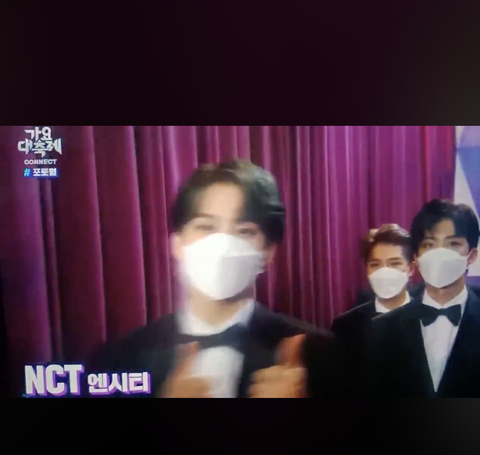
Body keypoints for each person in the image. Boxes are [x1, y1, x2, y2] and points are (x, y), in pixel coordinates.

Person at [89, 160, 345, 398]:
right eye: (206, 227)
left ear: (267, 253)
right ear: (177, 244)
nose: (223, 245)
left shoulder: (320, 354)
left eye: (244, 231)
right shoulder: (117, 358)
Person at [368, 199, 480, 397]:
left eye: (453, 244)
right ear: (416, 257)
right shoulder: (382, 329)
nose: (439, 254)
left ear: (472, 256)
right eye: (429, 244)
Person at [332, 224, 414, 347]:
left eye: (394, 263)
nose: (384, 271)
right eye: (375, 264)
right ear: (367, 270)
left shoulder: (431, 318)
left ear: (411, 268)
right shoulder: (345, 325)